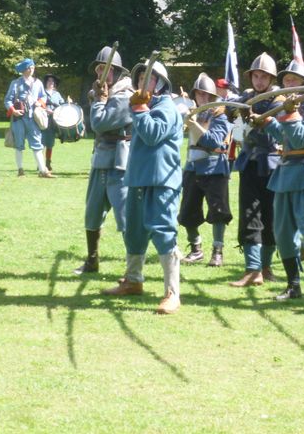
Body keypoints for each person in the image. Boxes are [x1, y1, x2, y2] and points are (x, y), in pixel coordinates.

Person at [102, 59, 184, 315]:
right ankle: (133, 281)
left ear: (159, 83)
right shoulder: (144, 105)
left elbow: (152, 134)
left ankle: (172, 293)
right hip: (139, 178)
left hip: (161, 180)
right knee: (134, 232)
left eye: (147, 79)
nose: (141, 84)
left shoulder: (166, 107)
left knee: (163, 233)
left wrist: (139, 109)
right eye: (139, 79)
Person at [259, 60, 304, 306]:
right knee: (282, 233)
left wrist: (289, 113)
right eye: (286, 81)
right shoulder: (290, 107)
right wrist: (268, 123)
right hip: (286, 174)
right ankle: (293, 286)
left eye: (294, 81)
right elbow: (285, 137)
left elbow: (301, 138)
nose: (288, 85)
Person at [74, 46, 133, 275]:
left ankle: (132, 268)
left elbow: (99, 123)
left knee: (125, 216)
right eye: (99, 69)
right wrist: (98, 99)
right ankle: (92, 261)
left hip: (120, 162)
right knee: (92, 213)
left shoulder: (124, 96)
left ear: (116, 72)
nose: (102, 74)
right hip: (101, 159)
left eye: (107, 70)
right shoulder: (102, 93)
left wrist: (98, 101)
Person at [228, 53, 282, 286]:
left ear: (271, 79)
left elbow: (274, 135)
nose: (259, 81)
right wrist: (240, 117)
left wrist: (258, 121)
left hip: (271, 165)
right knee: (250, 214)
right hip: (249, 164)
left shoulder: (278, 100)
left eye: (264, 77)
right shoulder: (245, 98)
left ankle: (266, 267)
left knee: (271, 217)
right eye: (256, 76)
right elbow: (238, 135)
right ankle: (252, 269)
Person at [178, 73, 232, 267]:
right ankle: (196, 249)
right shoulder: (191, 112)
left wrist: (193, 125)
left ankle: (217, 251)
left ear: (213, 96)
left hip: (214, 168)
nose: (204, 99)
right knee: (187, 212)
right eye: (200, 95)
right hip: (192, 168)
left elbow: (213, 141)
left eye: (207, 95)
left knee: (218, 212)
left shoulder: (221, 116)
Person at [4, 58, 51, 178]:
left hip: (33, 118)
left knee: (37, 143)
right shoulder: (15, 83)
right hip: (18, 119)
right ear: (24, 69)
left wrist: (40, 103)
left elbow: (44, 97)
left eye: (33, 67)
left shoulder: (38, 83)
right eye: (29, 67)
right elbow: (8, 100)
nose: (31, 69)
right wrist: (13, 111)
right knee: (19, 144)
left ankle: (43, 170)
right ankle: (20, 170)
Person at [42, 74, 65, 172]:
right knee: (41, 142)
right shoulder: (41, 93)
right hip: (42, 119)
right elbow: (38, 103)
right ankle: (41, 163)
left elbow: (62, 105)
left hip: (53, 121)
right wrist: (45, 109)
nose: (51, 82)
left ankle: (48, 163)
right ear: (46, 82)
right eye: (49, 81)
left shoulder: (57, 94)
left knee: (50, 143)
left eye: (52, 81)